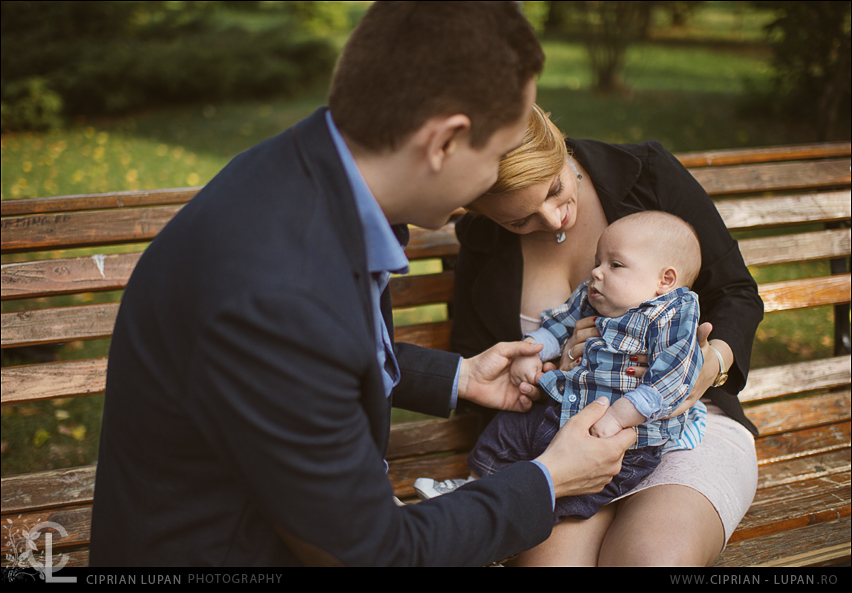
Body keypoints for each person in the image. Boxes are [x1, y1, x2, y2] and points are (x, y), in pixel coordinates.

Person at [88, 3, 636, 567]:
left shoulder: (306, 173)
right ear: (444, 143)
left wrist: (461, 376)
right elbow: (370, 554)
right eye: (496, 157)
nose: (491, 184)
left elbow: (318, 358)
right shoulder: (277, 293)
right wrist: (547, 479)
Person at [448, 104, 763, 566]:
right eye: (520, 220)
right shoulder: (481, 240)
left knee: (648, 559)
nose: (555, 220)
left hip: (683, 429)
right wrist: (543, 373)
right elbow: (478, 366)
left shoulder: (646, 174)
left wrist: (709, 366)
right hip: (561, 441)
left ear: (557, 140)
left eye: (555, 189)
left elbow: (736, 292)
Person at [416, 212, 707, 523]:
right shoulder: (593, 295)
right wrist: (532, 351)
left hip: (621, 437)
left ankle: (508, 524)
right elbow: (560, 322)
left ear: (665, 280)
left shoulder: (671, 313)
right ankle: (471, 489)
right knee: (507, 430)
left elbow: (675, 374)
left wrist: (622, 415)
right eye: (598, 261)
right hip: (560, 409)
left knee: (576, 492)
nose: (597, 272)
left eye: (615, 265)